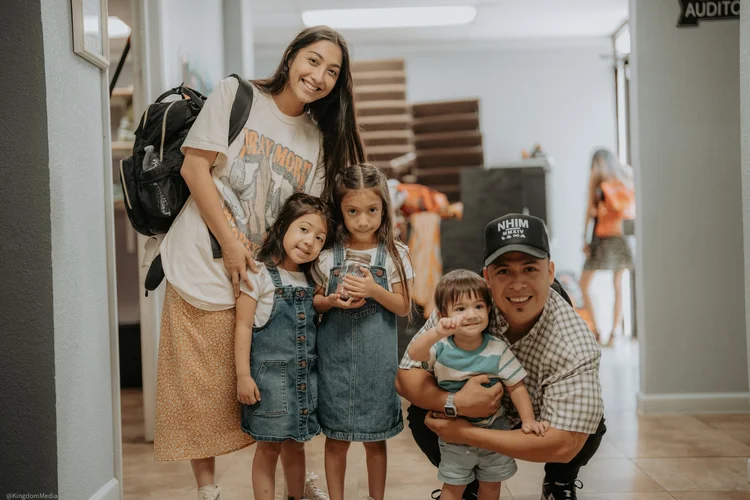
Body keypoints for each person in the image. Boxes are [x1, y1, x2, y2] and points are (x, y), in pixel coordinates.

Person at [154, 25, 363, 500]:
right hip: (202, 264)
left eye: (332, 72)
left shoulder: (318, 139)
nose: (319, 76)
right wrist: (231, 244)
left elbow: (305, 217)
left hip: (265, 280)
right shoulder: (237, 95)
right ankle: (208, 491)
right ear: (291, 57)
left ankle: (295, 484)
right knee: (202, 389)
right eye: (313, 61)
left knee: (278, 383)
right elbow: (194, 168)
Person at [397, 214, 606, 500]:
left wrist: (464, 434)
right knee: (421, 412)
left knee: (587, 420)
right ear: (487, 277)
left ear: (550, 272)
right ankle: (468, 484)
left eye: (530, 269)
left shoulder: (574, 341)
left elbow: (564, 443)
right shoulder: (466, 303)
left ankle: (559, 483)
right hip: (470, 409)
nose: (518, 284)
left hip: (536, 414)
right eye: (504, 271)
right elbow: (406, 376)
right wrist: (454, 402)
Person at [312, 164, 414, 500]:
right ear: (340, 212)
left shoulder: (396, 254)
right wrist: (331, 301)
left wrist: (373, 290)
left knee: (375, 439)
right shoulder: (327, 256)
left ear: (384, 208)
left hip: (376, 366)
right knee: (336, 440)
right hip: (336, 363)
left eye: (372, 210)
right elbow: (315, 304)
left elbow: (403, 306)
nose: (363, 220)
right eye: (352, 211)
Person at [407, 269, 547, 500]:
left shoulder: (497, 349)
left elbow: (516, 386)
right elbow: (415, 353)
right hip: (454, 435)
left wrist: (528, 420)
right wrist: (436, 332)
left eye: (478, 306)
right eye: (460, 309)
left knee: (491, 488)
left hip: (494, 433)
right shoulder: (441, 347)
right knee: (452, 488)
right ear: (443, 315)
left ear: (489, 309)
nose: (471, 315)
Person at [235, 194, 331, 500]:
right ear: (283, 226)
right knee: (268, 448)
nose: (310, 241)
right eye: (304, 229)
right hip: (270, 384)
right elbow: (243, 326)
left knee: (297, 445)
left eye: (319, 237)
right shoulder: (258, 273)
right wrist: (243, 377)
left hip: (303, 381)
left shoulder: (311, 280)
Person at [580, 149, 635, 346]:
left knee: (583, 283)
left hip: (603, 238)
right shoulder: (625, 178)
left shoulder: (597, 180)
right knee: (618, 285)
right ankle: (613, 335)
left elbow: (589, 211)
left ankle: (595, 333)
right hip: (621, 237)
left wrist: (584, 239)